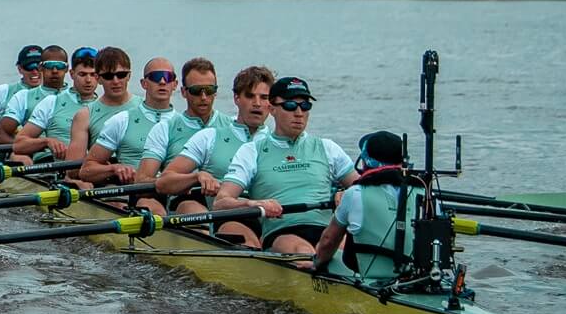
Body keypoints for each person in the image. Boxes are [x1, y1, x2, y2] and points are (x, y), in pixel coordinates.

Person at [209, 75, 356, 251]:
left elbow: (365, 190)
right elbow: (221, 202)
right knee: (304, 252)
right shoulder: (252, 151)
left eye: (305, 105)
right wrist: (253, 204)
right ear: (272, 109)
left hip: (328, 232)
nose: (299, 113)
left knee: (347, 250)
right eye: (290, 105)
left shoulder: (327, 148)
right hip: (283, 234)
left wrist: (348, 193)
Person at [304, 131, 427, 281]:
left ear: (366, 161)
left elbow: (329, 240)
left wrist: (316, 263)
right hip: (420, 278)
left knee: (332, 255)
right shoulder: (425, 192)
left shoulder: (355, 193)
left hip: (371, 278)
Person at [157, 64, 274, 217]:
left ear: (272, 103)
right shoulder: (209, 136)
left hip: (266, 214)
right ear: (236, 98)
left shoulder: (276, 142)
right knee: (188, 206)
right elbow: (163, 182)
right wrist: (196, 177)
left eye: (264, 98)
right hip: (216, 214)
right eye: (250, 96)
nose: (257, 103)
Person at [132, 57, 219, 212]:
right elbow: (141, 183)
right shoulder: (165, 129)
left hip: (225, 199)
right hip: (185, 200)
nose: (204, 97)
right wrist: (183, 181)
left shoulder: (230, 127)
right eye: (197, 91)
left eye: (210, 90)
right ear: (184, 92)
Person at [77, 49, 169, 187]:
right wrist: (112, 169)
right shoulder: (85, 114)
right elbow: (74, 171)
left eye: (121, 75)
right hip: (111, 181)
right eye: (108, 76)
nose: (115, 81)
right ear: (99, 78)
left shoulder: (146, 108)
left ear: (129, 76)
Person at [5, 47, 72, 158]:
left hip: (73, 158)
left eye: (59, 66)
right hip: (40, 159)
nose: (55, 70)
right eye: (49, 66)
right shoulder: (23, 97)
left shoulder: (77, 98)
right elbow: (0, 135)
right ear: (41, 67)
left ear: (66, 69)